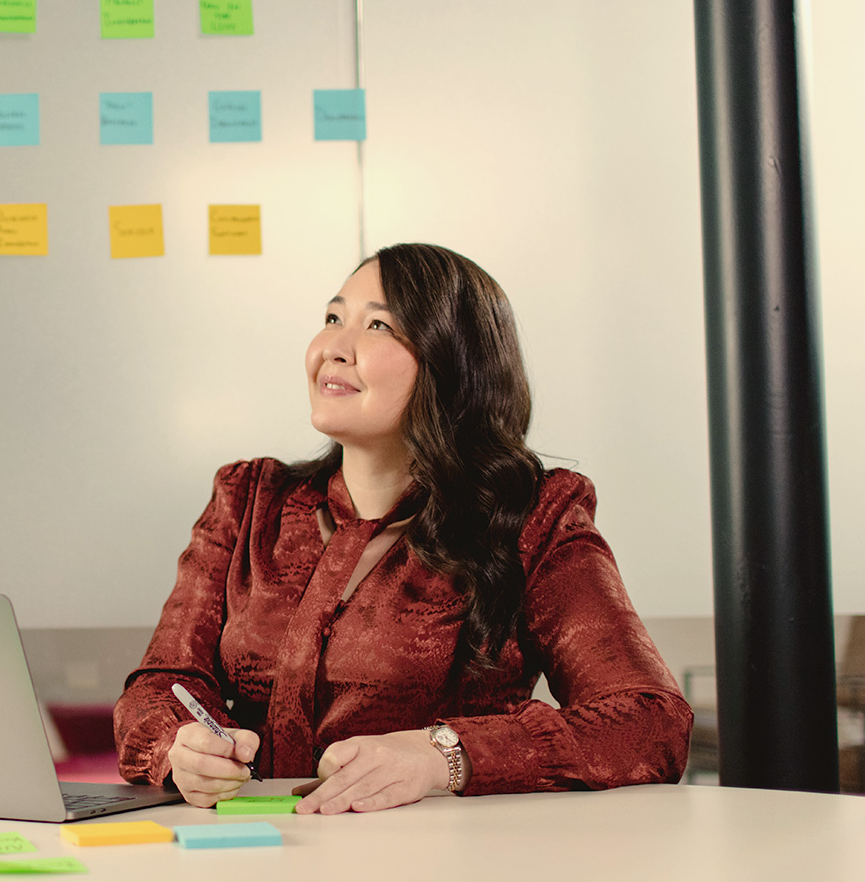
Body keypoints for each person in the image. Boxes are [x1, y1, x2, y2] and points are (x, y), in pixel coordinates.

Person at [113, 242, 692, 813]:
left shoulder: (534, 516)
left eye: (379, 327)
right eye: (333, 318)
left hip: (442, 876)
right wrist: (178, 747)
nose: (334, 349)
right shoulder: (248, 501)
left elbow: (649, 722)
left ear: (453, 365)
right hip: (256, 860)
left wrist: (441, 757)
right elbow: (161, 684)